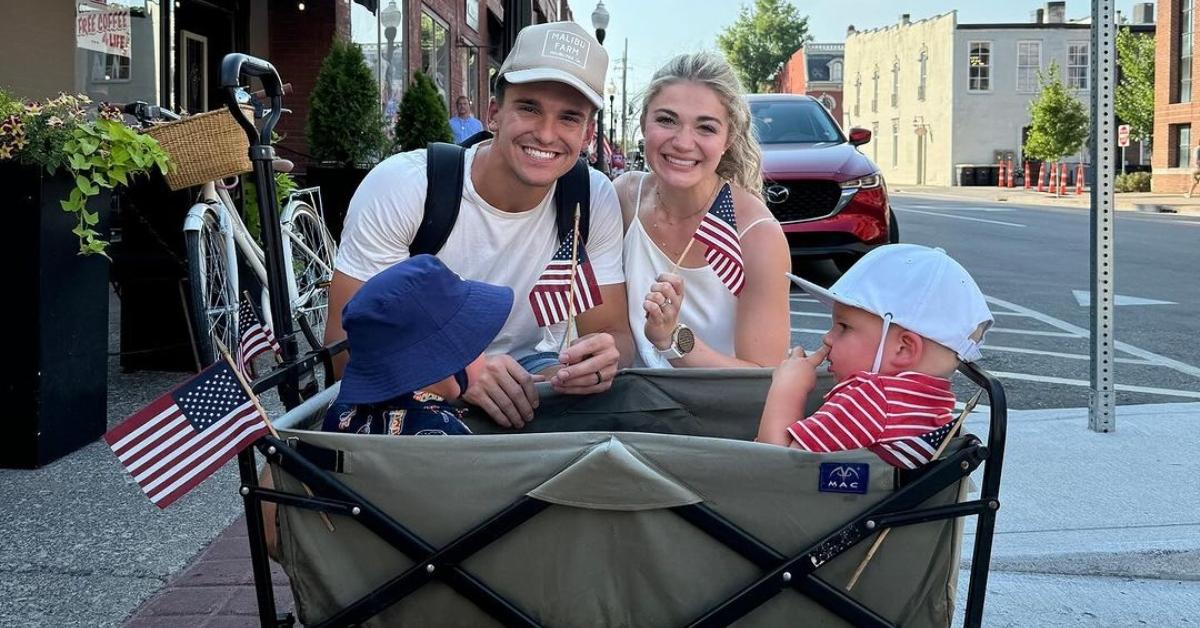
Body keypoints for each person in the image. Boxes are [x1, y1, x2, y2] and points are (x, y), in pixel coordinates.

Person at [326, 21, 634, 430]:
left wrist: (595, 364)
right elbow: (344, 353)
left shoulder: (591, 196)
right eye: (529, 107)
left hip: (529, 372)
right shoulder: (405, 185)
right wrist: (458, 374)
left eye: (569, 118)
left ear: (588, 133)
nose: (545, 133)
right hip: (415, 377)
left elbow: (615, 335)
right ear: (494, 112)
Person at [613, 52, 791, 368]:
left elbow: (765, 380)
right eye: (666, 120)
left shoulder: (758, 235)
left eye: (706, 128)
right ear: (644, 124)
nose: (683, 142)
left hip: (714, 412)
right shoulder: (625, 197)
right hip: (631, 406)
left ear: (728, 138)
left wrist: (673, 340)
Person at [756, 244, 995, 469]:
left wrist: (787, 388)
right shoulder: (929, 403)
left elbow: (777, 472)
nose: (827, 338)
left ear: (903, 349)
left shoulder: (870, 399)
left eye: (844, 327)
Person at [322, 255, 512, 436]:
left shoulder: (337, 412)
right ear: (444, 360)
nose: (484, 353)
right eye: (477, 343)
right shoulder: (445, 433)